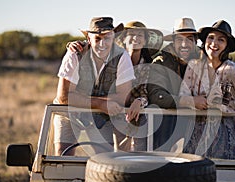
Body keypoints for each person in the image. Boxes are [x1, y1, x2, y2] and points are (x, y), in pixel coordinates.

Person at [66, 20, 163, 151]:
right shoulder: (112, 56)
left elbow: (145, 90)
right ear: (123, 38)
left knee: (133, 154)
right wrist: (74, 45)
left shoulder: (147, 66)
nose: (135, 38)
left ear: (145, 40)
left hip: (132, 114)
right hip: (109, 112)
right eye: (131, 34)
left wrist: (140, 101)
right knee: (111, 154)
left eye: (140, 35)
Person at [53, 17, 135, 155]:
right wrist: (100, 103)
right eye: (97, 38)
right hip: (69, 112)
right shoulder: (75, 54)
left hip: (102, 115)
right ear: (89, 39)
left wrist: (83, 99)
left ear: (114, 38)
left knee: (105, 158)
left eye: (107, 38)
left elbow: (123, 97)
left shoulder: (122, 56)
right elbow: (64, 98)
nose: (102, 43)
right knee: (63, 156)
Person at [179, 20, 235, 159]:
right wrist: (193, 101)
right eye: (211, 38)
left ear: (226, 46)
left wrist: (221, 105)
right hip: (194, 134)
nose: (214, 43)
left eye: (221, 40)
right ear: (205, 41)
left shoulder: (231, 70)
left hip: (224, 136)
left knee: (223, 176)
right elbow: (182, 96)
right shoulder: (193, 66)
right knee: (195, 176)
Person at [147, 17, 201, 151]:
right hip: (167, 125)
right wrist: (190, 101)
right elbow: (156, 95)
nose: (184, 44)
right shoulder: (161, 62)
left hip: (198, 123)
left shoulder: (205, 60)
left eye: (189, 39)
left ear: (195, 42)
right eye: (179, 39)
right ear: (173, 42)